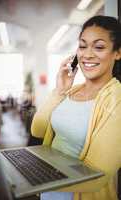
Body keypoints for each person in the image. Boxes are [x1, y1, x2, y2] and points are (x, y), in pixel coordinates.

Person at [31, 15, 121, 200]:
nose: (87, 54)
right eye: (82, 46)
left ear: (117, 53)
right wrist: (59, 90)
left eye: (99, 47)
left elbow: (97, 176)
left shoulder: (117, 99)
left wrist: (25, 177)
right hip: (49, 192)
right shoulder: (71, 91)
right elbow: (37, 130)